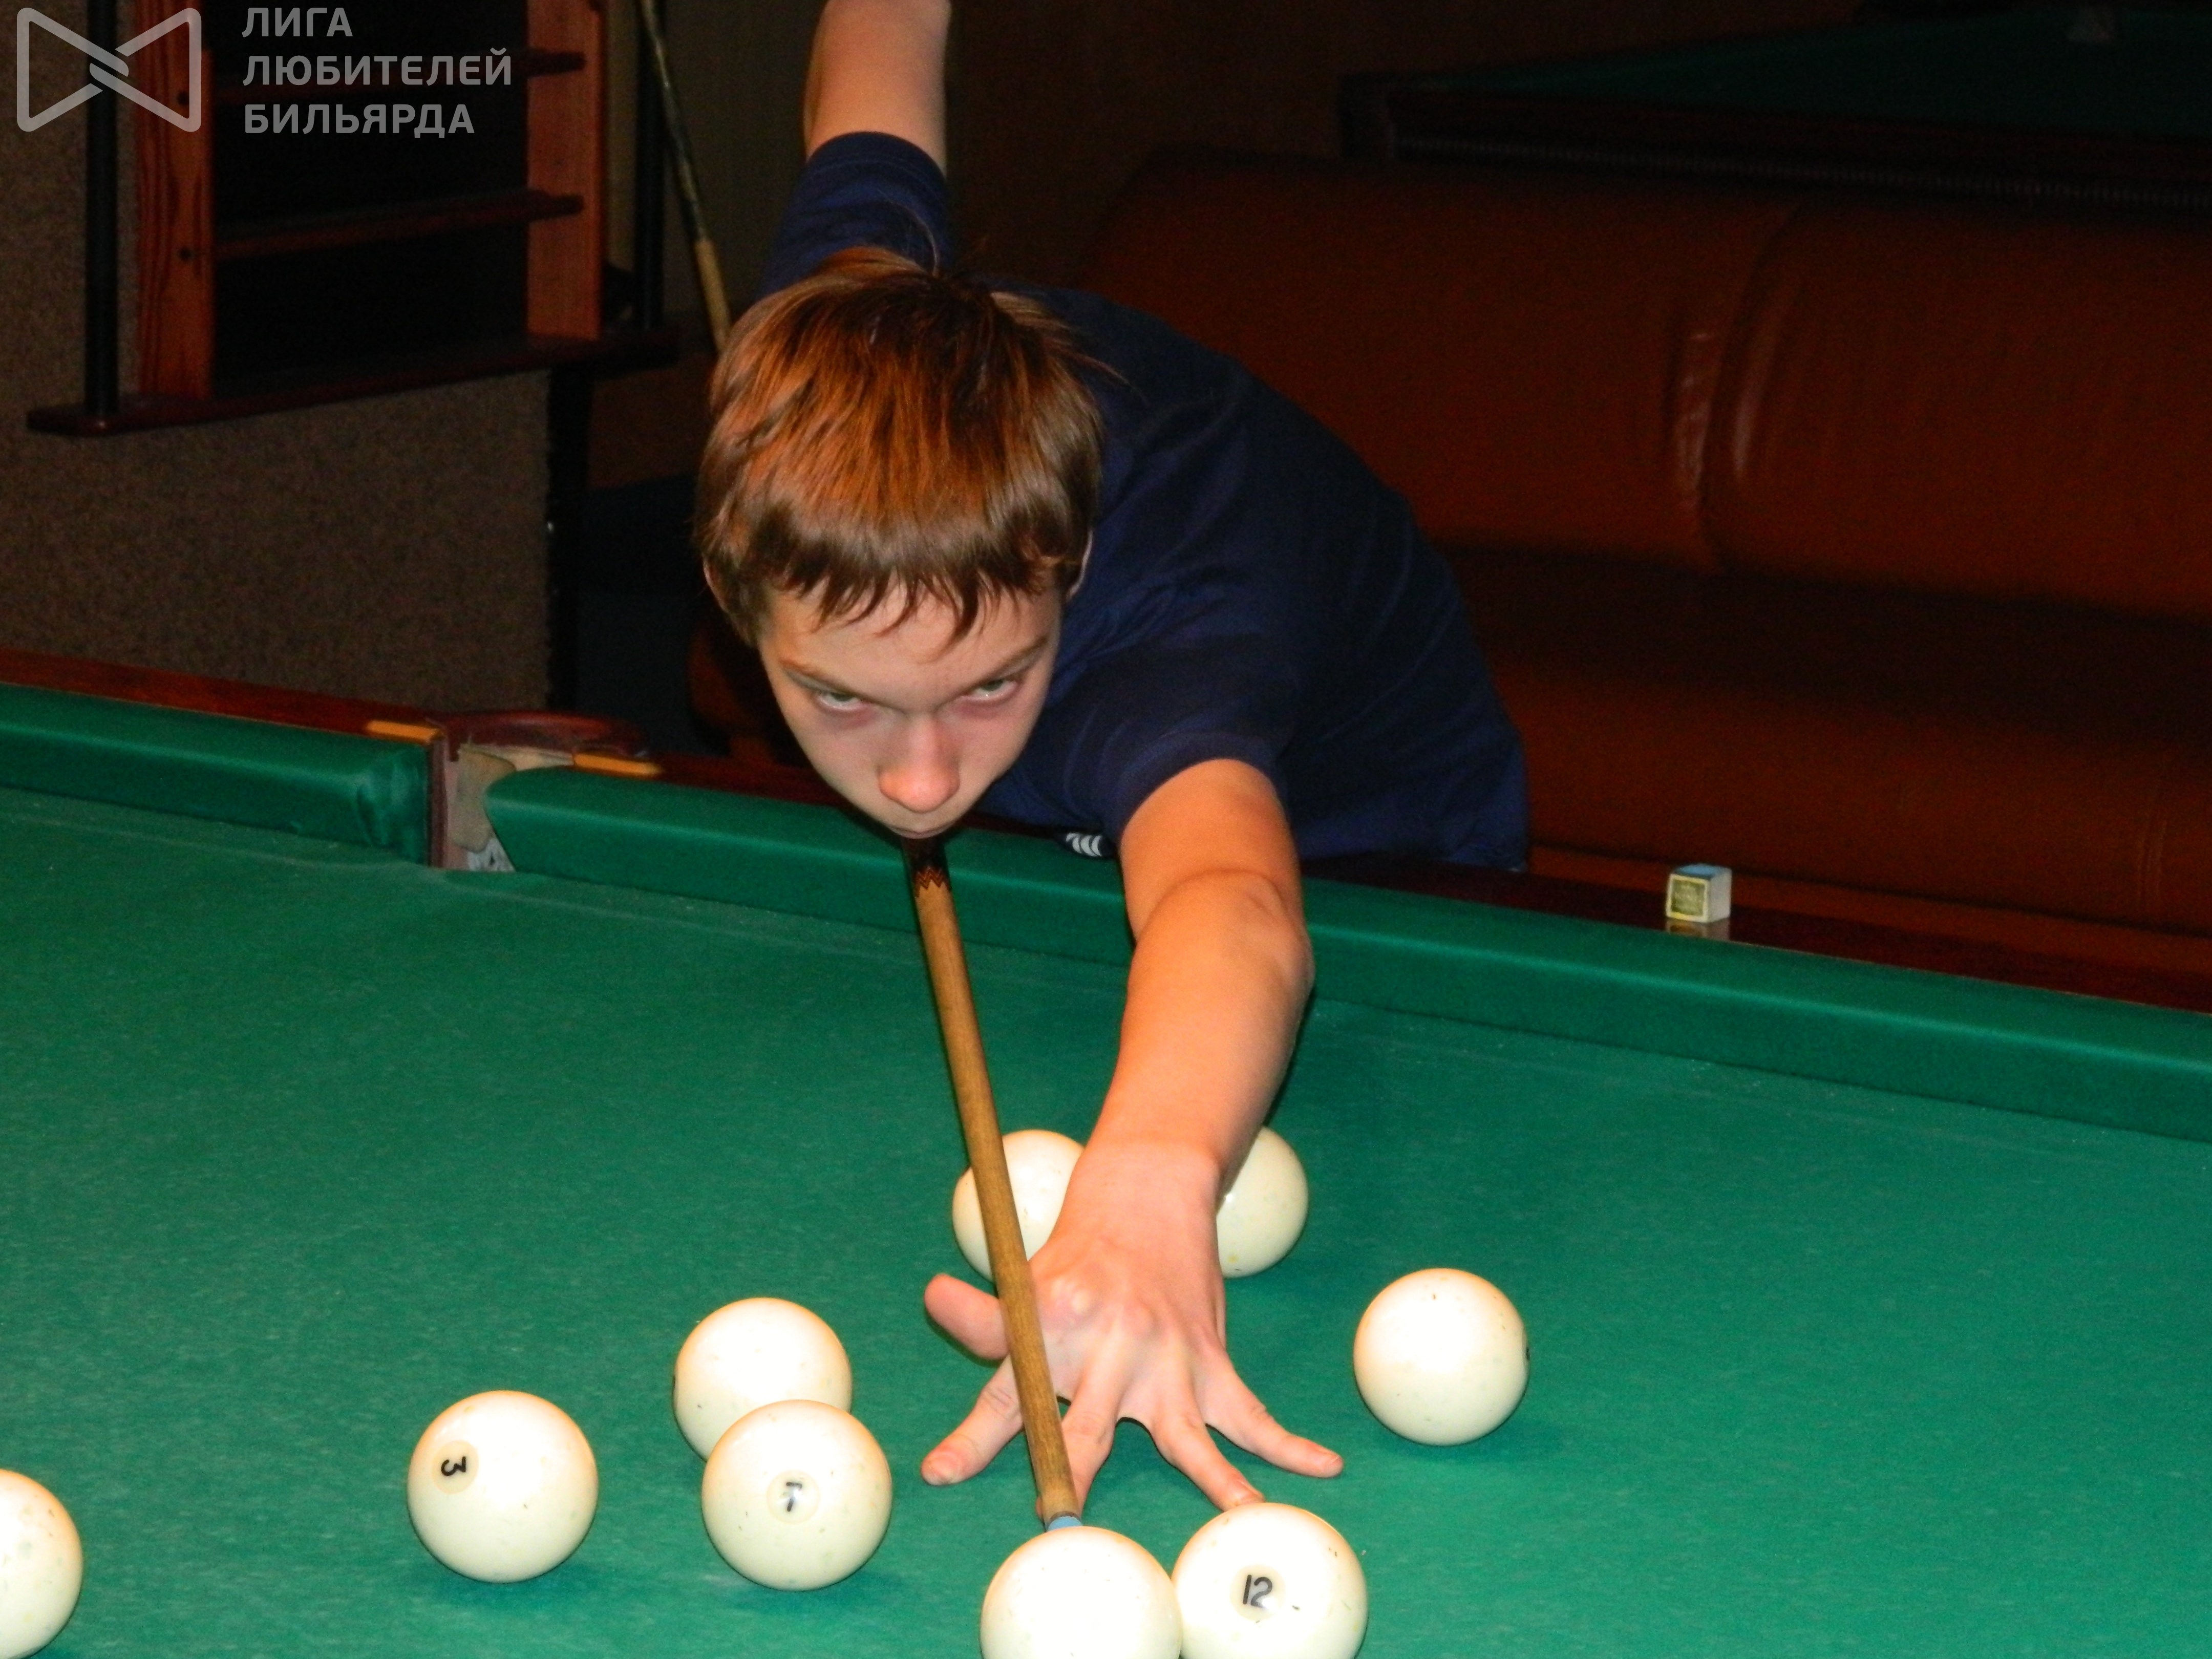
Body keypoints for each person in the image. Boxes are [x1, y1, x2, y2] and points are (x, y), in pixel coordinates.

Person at [695, 0, 1528, 1511]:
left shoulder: (1179, 637)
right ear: (734, 585)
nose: (923, 782)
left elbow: (1231, 899)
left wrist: (1149, 1181)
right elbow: (877, 58)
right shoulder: (834, 365)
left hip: (1375, 843)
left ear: (1066, 569)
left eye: (988, 683)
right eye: (843, 700)